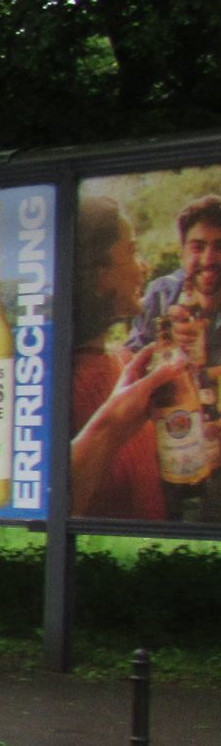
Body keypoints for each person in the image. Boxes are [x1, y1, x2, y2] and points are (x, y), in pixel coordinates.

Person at [71, 195, 192, 517]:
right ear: (98, 275)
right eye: (132, 251)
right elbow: (42, 507)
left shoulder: (126, 363)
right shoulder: (53, 389)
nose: (144, 266)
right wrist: (111, 426)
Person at [124, 193, 221, 349]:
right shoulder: (161, 295)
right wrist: (166, 346)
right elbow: (131, 354)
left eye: (219, 247)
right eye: (198, 247)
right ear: (182, 253)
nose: (208, 260)